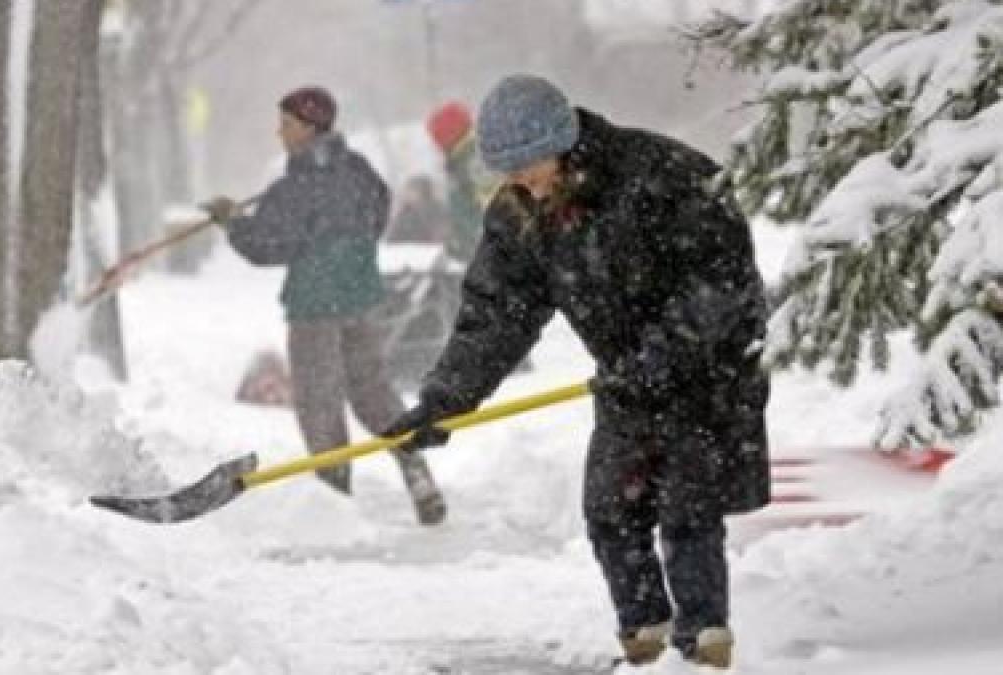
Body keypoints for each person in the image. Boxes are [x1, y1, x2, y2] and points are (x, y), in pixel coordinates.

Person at [384, 75, 770, 667]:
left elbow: (724, 281)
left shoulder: (661, 174)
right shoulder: (520, 211)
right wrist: (444, 402)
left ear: (562, 143)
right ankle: (646, 643)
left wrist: (663, 354)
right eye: (507, 168)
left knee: (687, 512)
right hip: (625, 382)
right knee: (612, 511)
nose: (519, 179)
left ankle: (702, 649)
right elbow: (496, 315)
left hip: (705, 374)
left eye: (529, 164)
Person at [205, 85, 446, 526]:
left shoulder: (295, 187)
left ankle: (335, 500)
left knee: (319, 401)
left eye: (287, 124)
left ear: (309, 127)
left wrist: (232, 222)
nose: (279, 133)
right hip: (360, 298)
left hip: (314, 305)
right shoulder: (358, 170)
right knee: (372, 391)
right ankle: (416, 470)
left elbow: (264, 245)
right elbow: (379, 211)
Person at [425, 100, 496, 262]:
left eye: (437, 137)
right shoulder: (461, 160)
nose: (436, 146)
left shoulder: (474, 160)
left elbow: (491, 203)